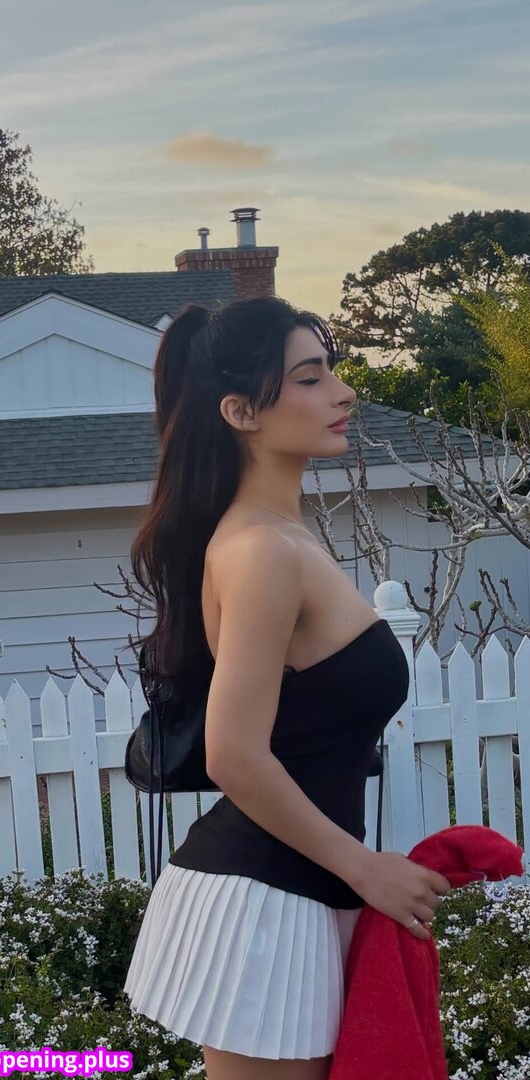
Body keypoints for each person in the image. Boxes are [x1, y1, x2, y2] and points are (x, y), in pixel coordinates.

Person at [123, 296, 451, 1080]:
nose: (343, 392)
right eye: (310, 378)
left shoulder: (285, 537)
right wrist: (367, 869)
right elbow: (236, 755)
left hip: (302, 895)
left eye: (330, 371)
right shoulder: (260, 551)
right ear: (240, 412)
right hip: (263, 909)